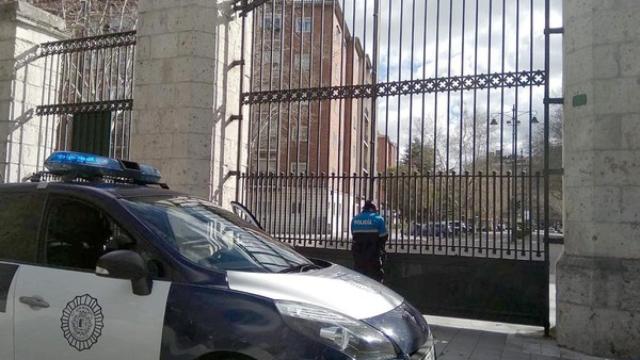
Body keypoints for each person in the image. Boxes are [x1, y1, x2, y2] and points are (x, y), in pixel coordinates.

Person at [350, 200, 388, 282]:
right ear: (373, 209)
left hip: (358, 255)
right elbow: (384, 236)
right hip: (374, 255)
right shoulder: (378, 219)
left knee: (358, 279)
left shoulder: (355, 219)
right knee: (376, 279)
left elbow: (353, 235)